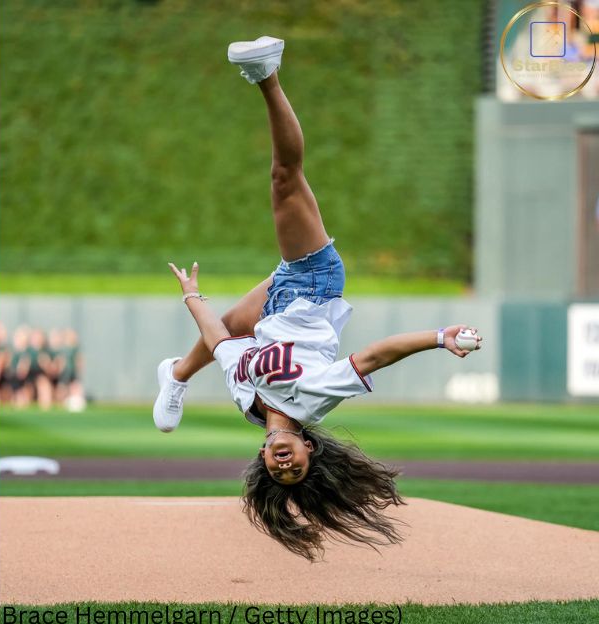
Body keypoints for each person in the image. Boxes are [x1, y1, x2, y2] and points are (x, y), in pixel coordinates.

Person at [152, 37, 482, 561]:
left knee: (234, 323)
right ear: (309, 449)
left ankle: (175, 375)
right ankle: (267, 75)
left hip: (277, 303)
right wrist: (440, 338)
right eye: (296, 468)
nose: (285, 464)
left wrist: (193, 298)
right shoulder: (313, 399)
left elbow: (220, 342)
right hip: (313, 284)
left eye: (277, 471)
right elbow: (376, 355)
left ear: (264, 458)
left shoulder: (247, 403)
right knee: (285, 179)